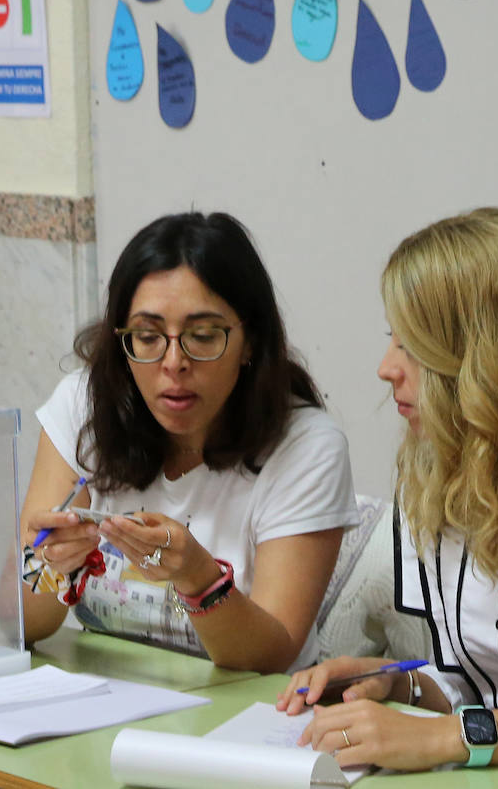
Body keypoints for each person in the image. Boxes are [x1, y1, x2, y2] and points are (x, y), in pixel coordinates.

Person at [280, 208, 498, 772]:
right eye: (394, 339)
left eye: (413, 347)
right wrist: (400, 689)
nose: (386, 368)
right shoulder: (447, 470)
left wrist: (443, 740)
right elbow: (486, 686)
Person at [19, 212, 358, 673]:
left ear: (250, 342)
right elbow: (25, 624)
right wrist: (53, 564)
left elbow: (273, 657)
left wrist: (198, 577)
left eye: (202, 336)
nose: (174, 362)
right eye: (147, 336)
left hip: (246, 721)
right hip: (102, 706)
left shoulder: (307, 447)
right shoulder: (84, 409)